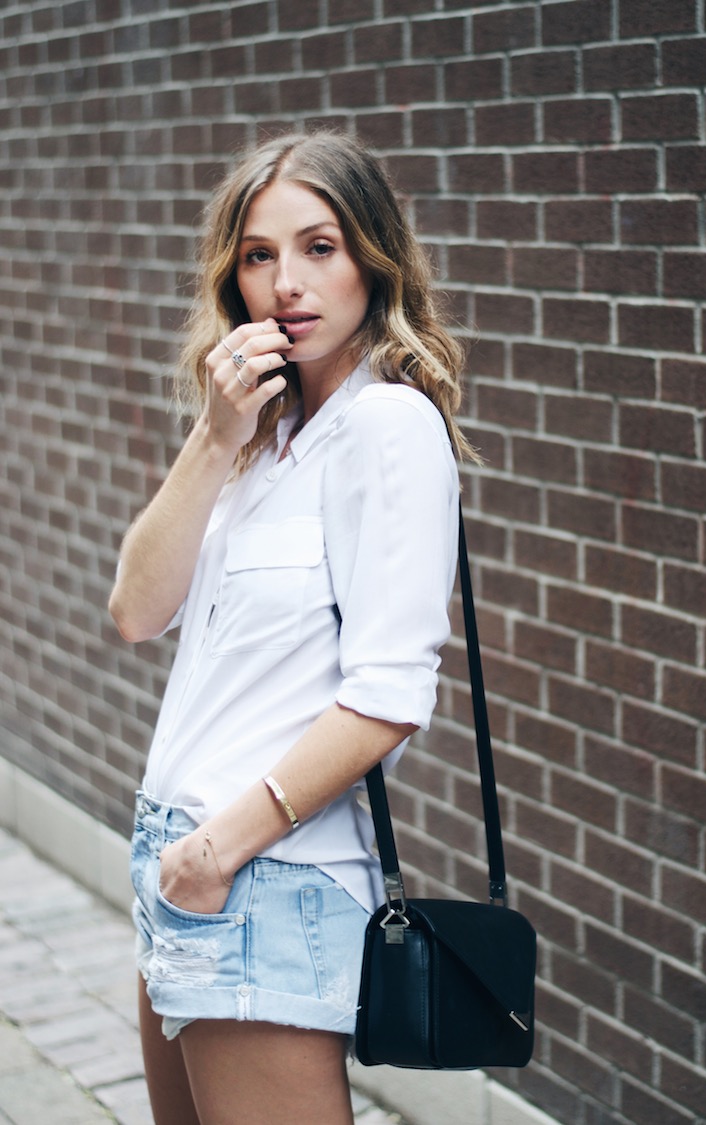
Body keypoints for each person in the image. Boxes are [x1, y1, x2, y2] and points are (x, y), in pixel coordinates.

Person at [109, 130, 476, 1125]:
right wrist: (213, 432)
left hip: (260, 875)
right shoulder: (259, 437)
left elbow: (389, 697)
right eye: (260, 256)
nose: (287, 283)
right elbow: (136, 611)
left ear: (374, 256)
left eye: (320, 248)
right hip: (178, 861)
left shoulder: (389, 428)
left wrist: (219, 850)